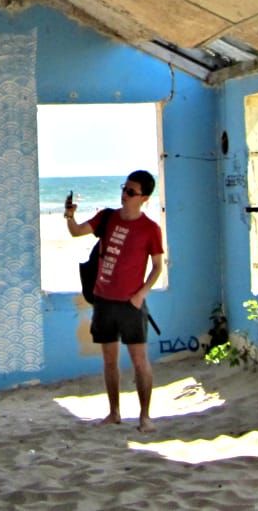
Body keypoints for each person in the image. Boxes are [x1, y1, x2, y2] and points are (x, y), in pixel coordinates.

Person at [65, 170, 164, 432]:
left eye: (131, 192)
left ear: (144, 197)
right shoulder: (106, 217)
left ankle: (145, 416)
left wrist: (140, 295)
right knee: (109, 361)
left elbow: (156, 267)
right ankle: (114, 412)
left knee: (139, 361)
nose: (124, 194)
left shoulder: (150, 229)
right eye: (124, 188)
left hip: (131, 304)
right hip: (104, 301)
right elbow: (76, 232)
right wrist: (69, 215)